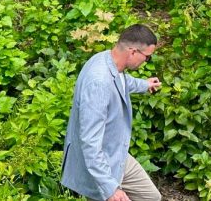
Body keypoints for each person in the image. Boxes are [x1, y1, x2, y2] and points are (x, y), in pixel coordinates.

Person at [61, 24, 162, 201]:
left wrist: (144, 85)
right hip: (99, 164)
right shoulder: (99, 82)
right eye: (147, 57)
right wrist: (110, 189)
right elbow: (90, 142)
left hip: (117, 153)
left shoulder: (110, 60)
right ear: (133, 52)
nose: (147, 61)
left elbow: (121, 81)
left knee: (151, 197)